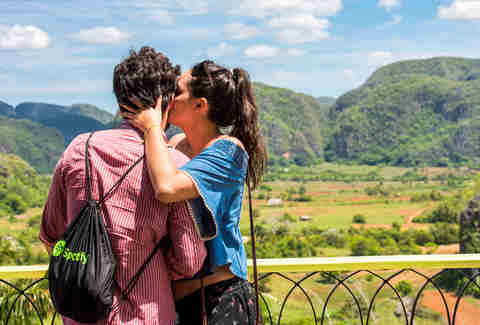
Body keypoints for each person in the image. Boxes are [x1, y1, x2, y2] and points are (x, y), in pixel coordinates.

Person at [39, 47, 207, 325]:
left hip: (83, 315)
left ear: (119, 103)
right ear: (165, 101)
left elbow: (50, 235)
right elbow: (189, 260)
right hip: (148, 313)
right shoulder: (174, 165)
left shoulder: (79, 149)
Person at [120, 60, 267, 325]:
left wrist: (152, 127)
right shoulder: (175, 145)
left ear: (200, 105)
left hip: (220, 298)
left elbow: (166, 188)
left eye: (177, 91)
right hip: (176, 301)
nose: (168, 98)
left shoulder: (228, 151)